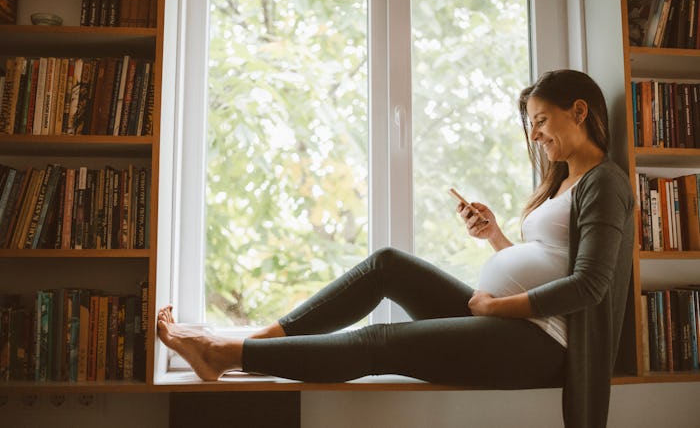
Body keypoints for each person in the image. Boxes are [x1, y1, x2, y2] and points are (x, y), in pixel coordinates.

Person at [157, 69, 635, 428]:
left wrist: (500, 306)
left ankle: (224, 353)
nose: (534, 135)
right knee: (389, 265)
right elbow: (549, 260)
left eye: (541, 121)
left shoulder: (605, 181)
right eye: (531, 124)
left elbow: (590, 285)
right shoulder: (561, 182)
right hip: (510, 321)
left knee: (378, 343)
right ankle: (261, 339)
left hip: (544, 343)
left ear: (579, 110)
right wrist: (494, 237)